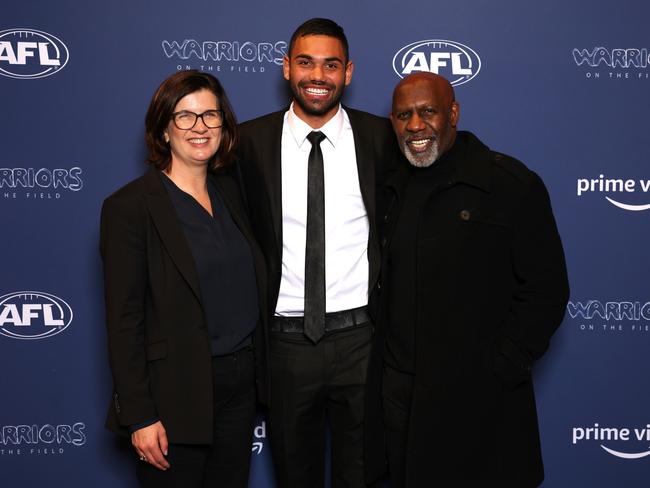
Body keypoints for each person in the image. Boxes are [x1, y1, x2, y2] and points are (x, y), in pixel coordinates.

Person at [373, 72, 570, 487]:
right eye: (403, 115)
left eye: (428, 112)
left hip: (482, 404)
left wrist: (499, 368)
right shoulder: (385, 187)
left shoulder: (509, 184)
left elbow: (547, 290)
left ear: (453, 114)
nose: (415, 125)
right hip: (401, 404)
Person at [237, 18, 395, 488]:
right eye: (306, 62)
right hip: (285, 344)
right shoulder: (246, 143)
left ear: (348, 72)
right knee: (294, 475)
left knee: (363, 476)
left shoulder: (383, 138)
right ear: (286, 68)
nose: (318, 76)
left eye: (330, 65)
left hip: (362, 340)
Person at [100, 70, 267, 488]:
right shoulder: (130, 208)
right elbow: (124, 320)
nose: (200, 127)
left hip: (240, 383)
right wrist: (139, 414)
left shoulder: (232, 192)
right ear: (163, 128)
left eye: (211, 115)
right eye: (186, 116)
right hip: (175, 391)